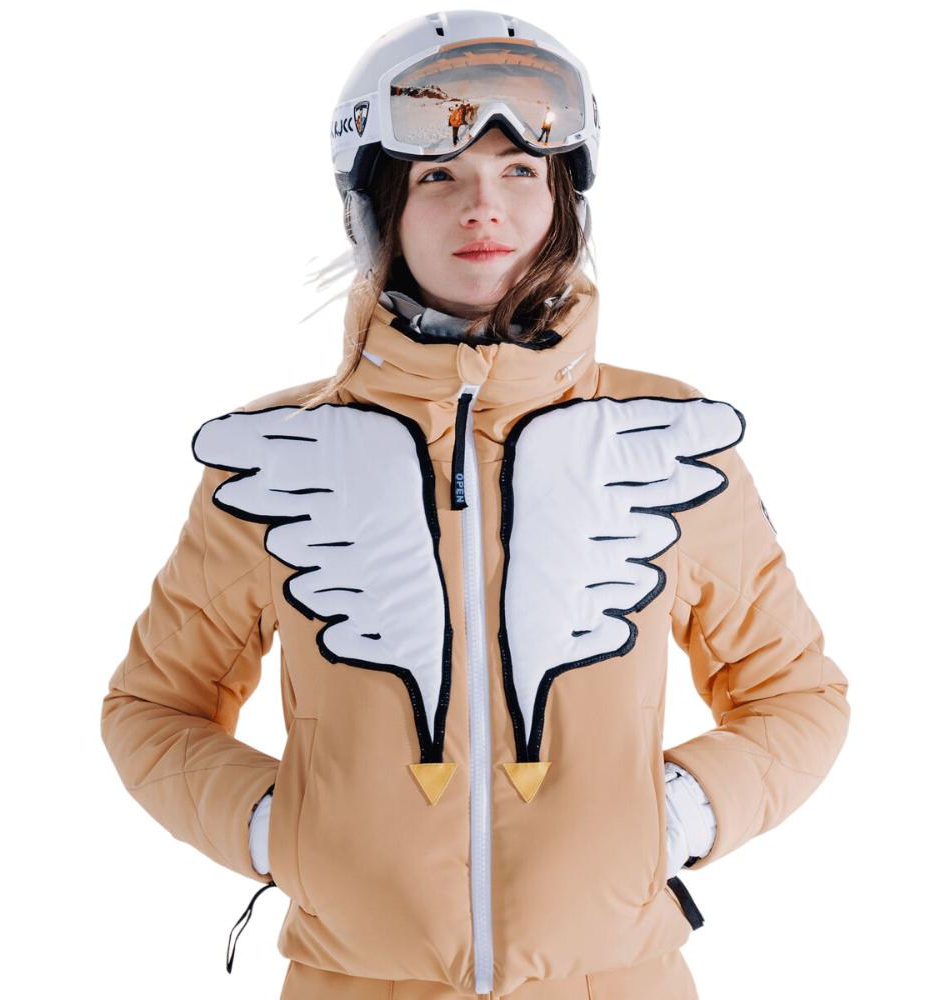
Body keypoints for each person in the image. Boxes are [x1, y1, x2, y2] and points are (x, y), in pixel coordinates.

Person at [100, 10, 850, 1000]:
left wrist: (673, 818)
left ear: (563, 196)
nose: (482, 207)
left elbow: (796, 696)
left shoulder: (666, 438)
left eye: (519, 170)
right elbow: (152, 708)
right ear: (377, 208)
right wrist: (282, 832)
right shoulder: (275, 456)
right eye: (438, 177)